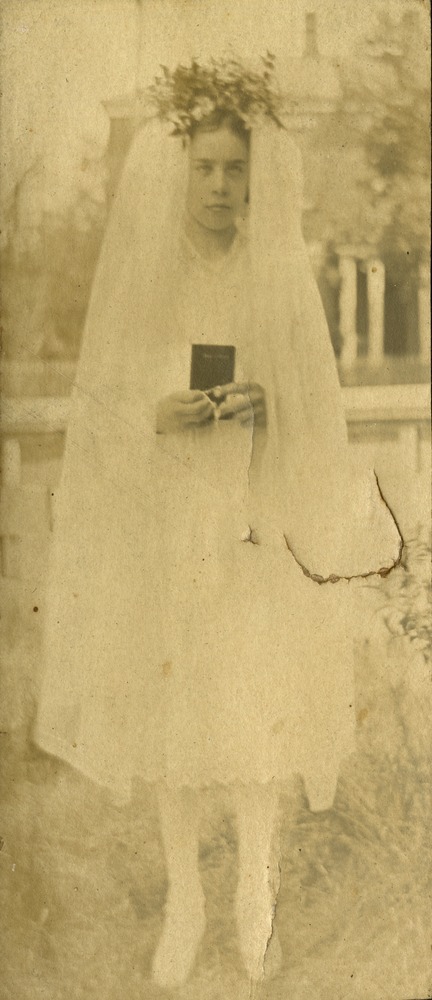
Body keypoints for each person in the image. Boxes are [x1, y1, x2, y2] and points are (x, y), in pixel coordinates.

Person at [34, 55, 401, 990]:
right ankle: (187, 904)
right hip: (170, 527)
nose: (222, 187)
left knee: (256, 714)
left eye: (237, 169)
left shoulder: (275, 275)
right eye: (206, 168)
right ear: (179, 168)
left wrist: (266, 401)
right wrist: (162, 408)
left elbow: (315, 405)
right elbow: (108, 401)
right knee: (177, 715)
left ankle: (255, 900)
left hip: (255, 522)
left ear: (256, 176)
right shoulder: (148, 274)